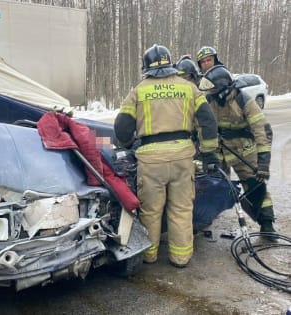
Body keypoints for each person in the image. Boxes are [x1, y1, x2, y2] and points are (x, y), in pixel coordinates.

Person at [114, 44, 219, 267]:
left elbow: (122, 126)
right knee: (181, 209)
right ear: (171, 64)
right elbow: (208, 121)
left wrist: (128, 143)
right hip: (183, 158)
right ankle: (181, 258)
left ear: (146, 67)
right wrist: (209, 153)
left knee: (151, 211)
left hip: (151, 162)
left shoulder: (139, 90)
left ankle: (149, 255)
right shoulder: (189, 88)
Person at [199, 65, 277, 239]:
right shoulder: (210, 101)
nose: (210, 93)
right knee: (213, 184)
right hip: (220, 150)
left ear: (223, 89)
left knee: (255, 186)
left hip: (244, 150)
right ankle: (205, 218)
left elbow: (262, 130)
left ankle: (267, 223)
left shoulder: (244, 101)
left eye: (213, 90)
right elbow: (202, 126)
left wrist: (263, 162)